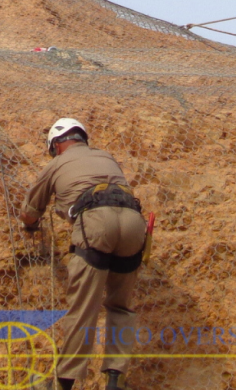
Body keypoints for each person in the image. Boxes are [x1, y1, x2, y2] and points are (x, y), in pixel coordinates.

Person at [20, 118, 146, 390]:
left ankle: (63, 384)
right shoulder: (106, 156)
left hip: (96, 222)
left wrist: (30, 226)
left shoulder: (56, 164)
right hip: (134, 223)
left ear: (56, 145)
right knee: (120, 306)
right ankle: (115, 380)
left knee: (83, 308)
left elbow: (30, 211)